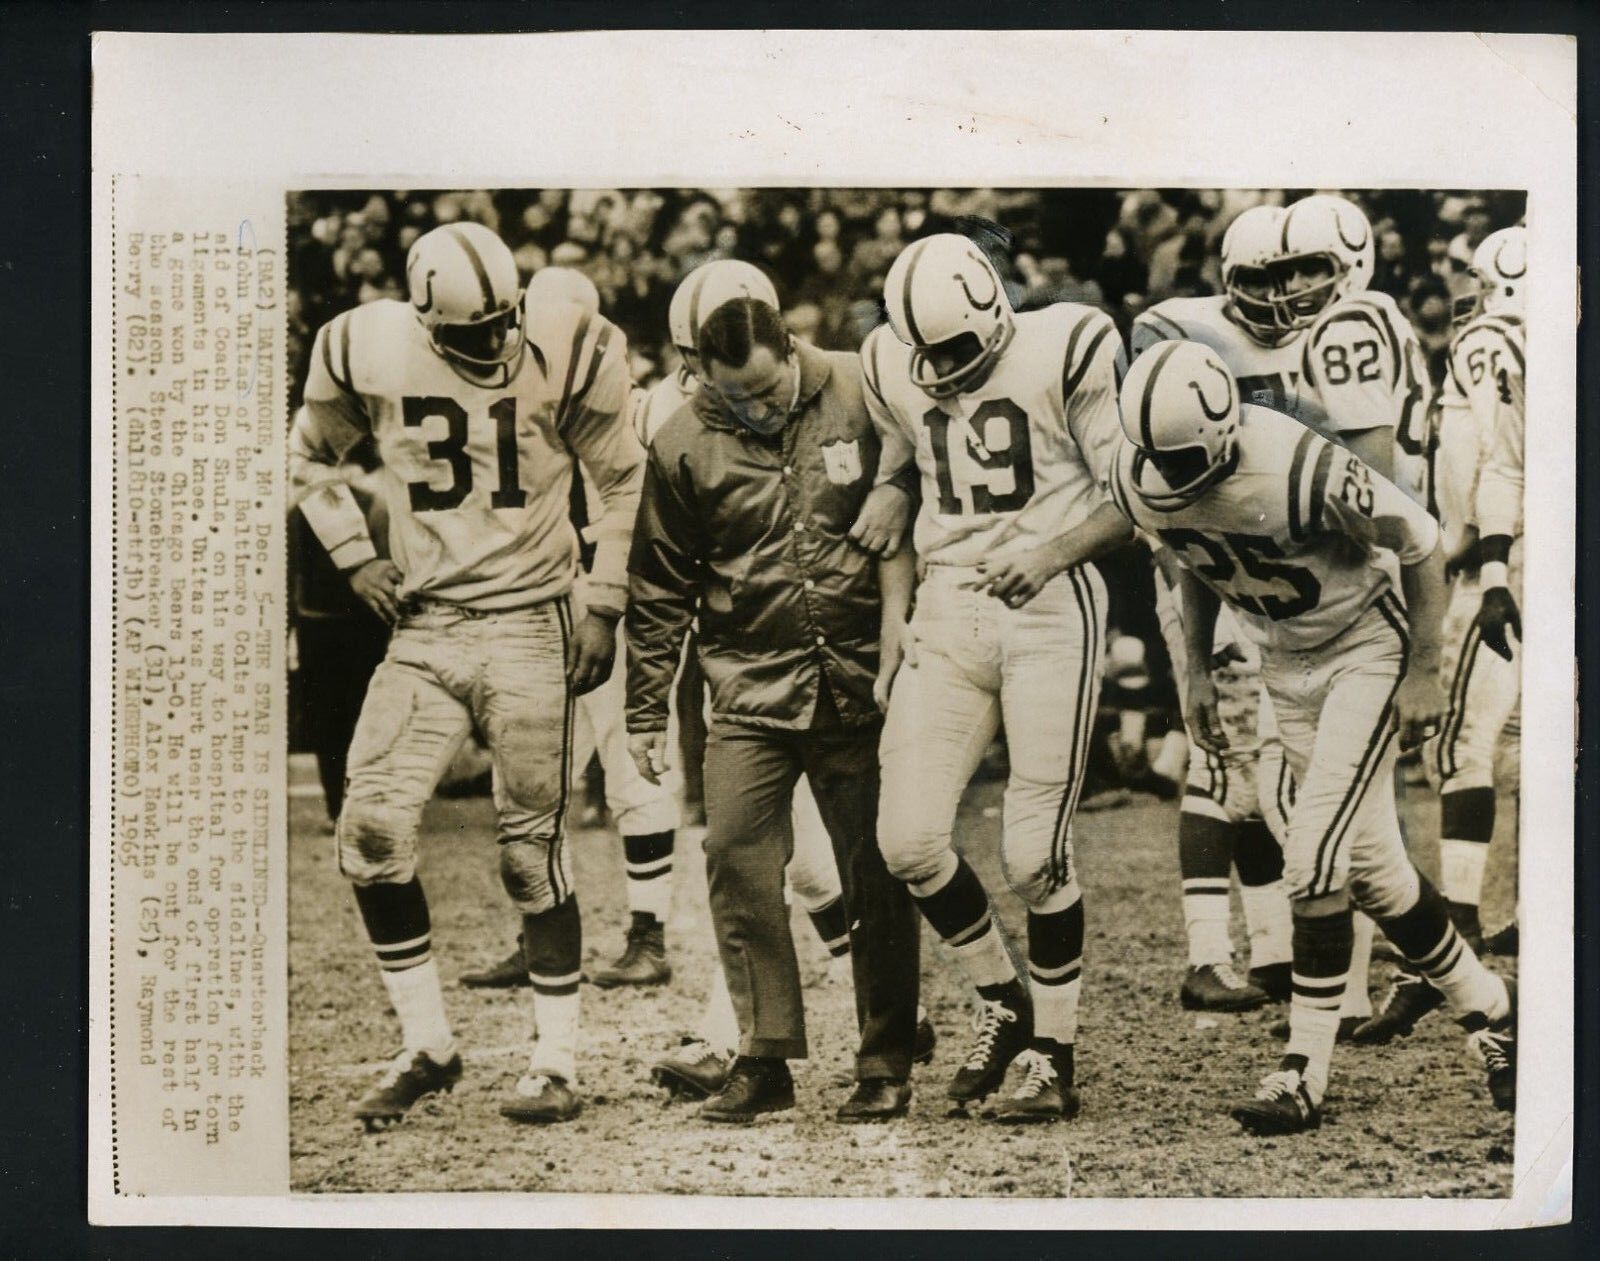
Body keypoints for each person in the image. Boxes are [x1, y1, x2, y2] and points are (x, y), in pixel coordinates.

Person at [1108, 340, 1515, 1135]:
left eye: (1186, 460)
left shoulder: (1297, 463)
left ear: (1224, 430)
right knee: (1376, 874)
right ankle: (1490, 1008)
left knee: (1315, 857)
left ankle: (1304, 1067)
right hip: (1280, 657)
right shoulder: (1145, 471)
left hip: (1363, 646)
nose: (1171, 477)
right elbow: (1193, 554)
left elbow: (1423, 541)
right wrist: (1190, 662)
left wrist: (1425, 666)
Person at [289, 222, 643, 1127]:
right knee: (368, 829)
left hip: (533, 617)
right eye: (470, 332)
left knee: (531, 852)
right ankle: (429, 1045)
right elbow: (307, 459)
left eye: (502, 324)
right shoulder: (363, 344)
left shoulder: (567, 344)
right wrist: (353, 555)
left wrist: (603, 602)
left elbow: (621, 479)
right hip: (429, 624)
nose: (493, 344)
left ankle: (555, 1060)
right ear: (421, 319)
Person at [626, 294, 923, 1124]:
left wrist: (898, 483)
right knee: (734, 855)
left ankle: (886, 1057)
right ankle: (763, 1055)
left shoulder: (863, 387)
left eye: (768, 389)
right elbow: (658, 586)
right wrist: (646, 707)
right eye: (735, 398)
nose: (757, 408)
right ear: (705, 380)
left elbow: (926, 466)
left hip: (859, 676)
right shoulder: (682, 438)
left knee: (876, 869)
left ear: (792, 349)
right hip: (749, 684)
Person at [866, 233, 1132, 1123]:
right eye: (923, 354)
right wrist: (892, 613)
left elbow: (1131, 495)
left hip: (1052, 605)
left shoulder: (1071, 341)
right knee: (906, 838)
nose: (938, 370)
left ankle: (1054, 1051)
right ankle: (1002, 996)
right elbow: (901, 480)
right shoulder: (887, 362)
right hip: (945, 607)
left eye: (952, 349)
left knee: (1033, 853)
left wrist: (1050, 553)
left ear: (993, 311)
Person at [1130, 203, 1329, 1012]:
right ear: (1224, 278)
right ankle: (1208, 954)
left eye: (1287, 277)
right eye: (1256, 279)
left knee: (1260, 761)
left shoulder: (1324, 341)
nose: (1277, 296)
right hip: (1203, 557)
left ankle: (1275, 949)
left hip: (1276, 560)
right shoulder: (1175, 330)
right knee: (1222, 751)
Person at [1356, 225, 1526, 1043]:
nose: (1466, 313)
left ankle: (1447, 951)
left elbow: (1473, 466)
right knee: (1523, 748)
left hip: (1493, 561)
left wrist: (1460, 551)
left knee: (1459, 747)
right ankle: (1520, 918)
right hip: (1544, 559)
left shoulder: (1484, 345)